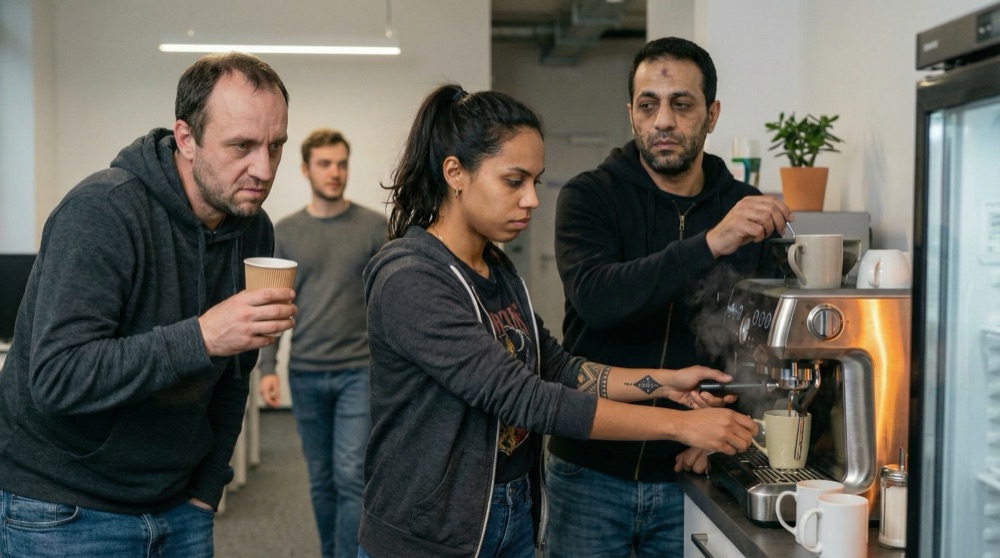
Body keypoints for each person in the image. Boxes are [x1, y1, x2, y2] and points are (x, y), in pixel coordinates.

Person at [356, 83, 759, 558]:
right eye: (514, 181)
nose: (532, 199)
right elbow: (527, 399)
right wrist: (681, 427)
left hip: (508, 513)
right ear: (455, 173)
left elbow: (559, 368)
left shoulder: (496, 268)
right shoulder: (411, 278)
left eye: (535, 180)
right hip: (429, 535)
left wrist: (665, 383)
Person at [0, 52, 296, 558]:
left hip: (179, 507)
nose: (263, 169)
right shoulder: (102, 211)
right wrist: (202, 337)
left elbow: (233, 379)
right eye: (242, 146)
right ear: (186, 138)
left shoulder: (252, 227)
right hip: (64, 509)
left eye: (276, 146)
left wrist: (207, 491)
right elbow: (56, 377)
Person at [545, 37, 793, 557]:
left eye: (681, 104)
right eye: (648, 104)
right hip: (591, 472)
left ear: (712, 114)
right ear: (631, 114)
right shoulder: (590, 196)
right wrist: (708, 244)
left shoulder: (746, 209)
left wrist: (727, 436)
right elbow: (598, 300)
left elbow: (763, 345)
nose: (663, 120)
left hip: (693, 476)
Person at [257, 128, 386, 558]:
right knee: (320, 477)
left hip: (358, 369)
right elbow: (273, 303)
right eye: (325, 164)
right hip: (306, 369)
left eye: (341, 163)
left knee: (351, 474)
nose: (335, 172)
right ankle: (331, 551)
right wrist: (268, 368)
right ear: (306, 169)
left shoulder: (374, 227)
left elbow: (390, 302)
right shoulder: (286, 231)